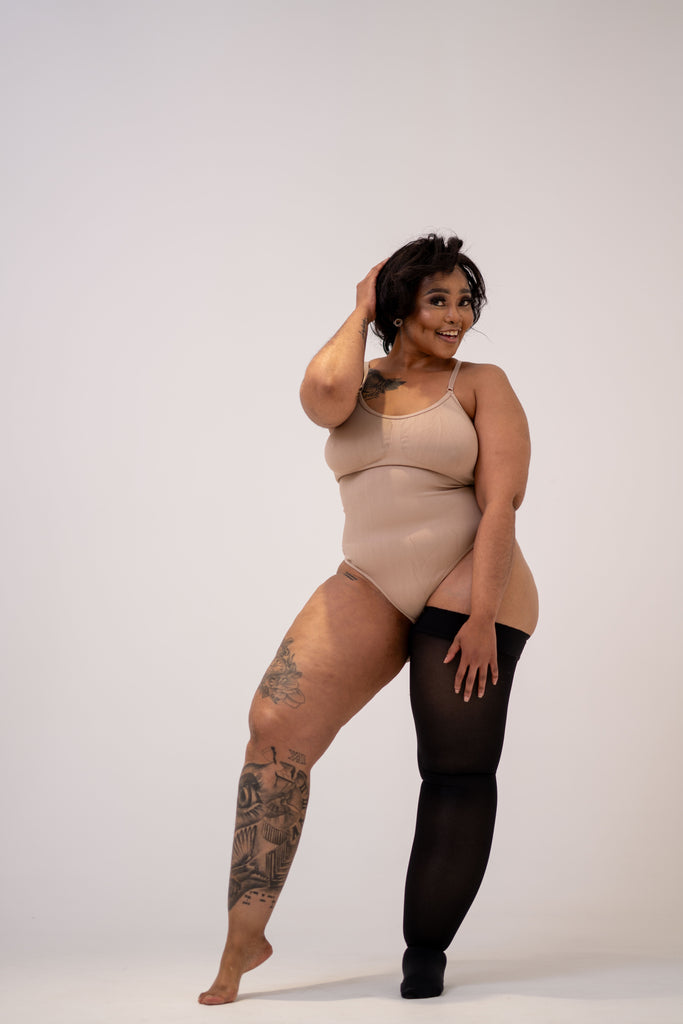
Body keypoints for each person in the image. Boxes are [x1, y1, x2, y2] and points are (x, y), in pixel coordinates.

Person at [198, 233, 539, 1005]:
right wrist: (359, 310)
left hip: (472, 579)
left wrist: (482, 614)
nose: (456, 316)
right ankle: (245, 937)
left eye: (464, 301)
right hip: (371, 580)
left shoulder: (481, 383)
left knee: (452, 769)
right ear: (397, 307)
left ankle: (425, 950)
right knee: (274, 726)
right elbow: (319, 395)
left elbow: (501, 504)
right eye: (437, 300)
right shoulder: (356, 381)